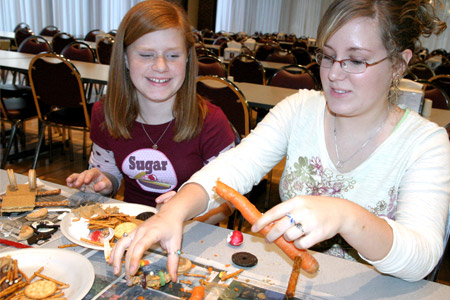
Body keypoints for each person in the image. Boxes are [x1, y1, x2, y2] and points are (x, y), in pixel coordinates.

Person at [109, 0, 450, 284]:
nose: (332, 73)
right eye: (328, 56)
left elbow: (420, 259)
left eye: (356, 60)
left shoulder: (426, 143)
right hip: (296, 283)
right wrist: (177, 211)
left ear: (398, 65)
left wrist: (346, 216)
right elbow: (234, 167)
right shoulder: (299, 109)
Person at [66, 0, 235, 211]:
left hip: (192, 232)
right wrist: (102, 182)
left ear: (188, 60)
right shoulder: (106, 113)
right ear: (125, 59)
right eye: (146, 55)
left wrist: (183, 211)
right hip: (130, 226)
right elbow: (110, 172)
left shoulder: (211, 122)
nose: (161, 66)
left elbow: (228, 203)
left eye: (173, 56)